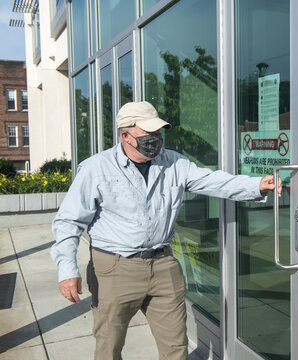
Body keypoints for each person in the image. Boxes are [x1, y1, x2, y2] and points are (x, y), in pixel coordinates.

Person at [51, 101, 281, 359]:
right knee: (109, 346)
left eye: (158, 134)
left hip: (163, 265)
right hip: (114, 269)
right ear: (125, 135)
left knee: (176, 347)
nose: (155, 140)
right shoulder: (96, 168)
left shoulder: (174, 163)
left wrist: (258, 185)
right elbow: (68, 222)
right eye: (148, 135)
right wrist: (67, 269)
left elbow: (213, 181)